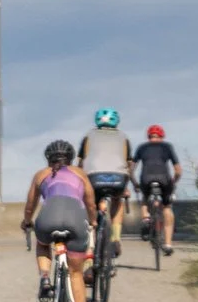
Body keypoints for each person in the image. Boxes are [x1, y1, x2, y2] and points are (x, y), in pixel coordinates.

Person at [21, 138, 92, 302]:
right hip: (76, 220)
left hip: (48, 218)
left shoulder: (41, 175)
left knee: (43, 243)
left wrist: (27, 222)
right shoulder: (80, 174)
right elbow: (90, 203)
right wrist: (94, 221)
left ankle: (45, 278)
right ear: (69, 158)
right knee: (76, 272)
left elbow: (30, 206)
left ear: (48, 158)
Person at [78, 108, 134, 256]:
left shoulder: (88, 136)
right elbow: (129, 164)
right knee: (117, 200)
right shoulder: (124, 137)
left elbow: (81, 162)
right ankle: (115, 238)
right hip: (118, 177)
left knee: (91, 206)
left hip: (93, 177)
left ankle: (90, 248)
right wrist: (126, 185)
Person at [135, 123, 182, 256]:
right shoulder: (167, 146)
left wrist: (134, 183)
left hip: (146, 178)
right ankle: (167, 244)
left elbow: (131, 168)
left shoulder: (141, 147)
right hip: (164, 179)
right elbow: (178, 170)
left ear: (149, 136)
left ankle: (145, 218)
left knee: (145, 197)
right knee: (167, 207)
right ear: (162, 136)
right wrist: (173, 182)